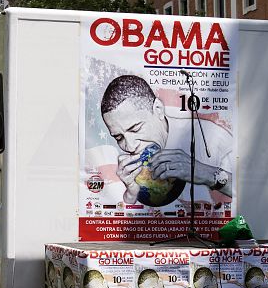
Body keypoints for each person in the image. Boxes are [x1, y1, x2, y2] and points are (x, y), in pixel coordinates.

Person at [100, 74, 233, 205]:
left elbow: (249, 190)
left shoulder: (214, 138)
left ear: (158, 109)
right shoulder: (132, 168)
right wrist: (131, 192)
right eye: (119, 137)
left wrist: (206, 173)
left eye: (135, 129)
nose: (130, 147)